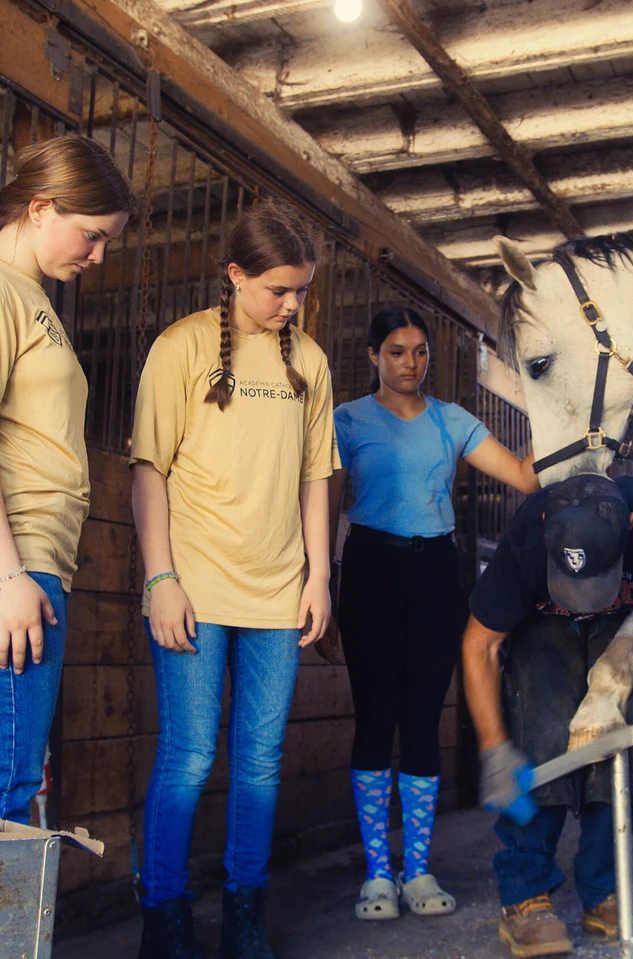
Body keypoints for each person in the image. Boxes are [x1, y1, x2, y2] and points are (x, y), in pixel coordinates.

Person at [131, 200, 339, 959]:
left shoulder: (309, 361)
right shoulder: (180, 346)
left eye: (301, 291)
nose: (292, 305)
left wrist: (319, 576)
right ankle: (165, 921)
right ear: (235, 275)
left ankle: (245, 921)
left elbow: (316, 476)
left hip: (278, 589)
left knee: (259, 760)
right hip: (194, 585)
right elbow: (148, 470)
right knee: (188, 757)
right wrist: (160, 578)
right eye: (279, 290)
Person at [327, 306, 539, 921]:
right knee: (374, 719)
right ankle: (378, 875)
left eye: (420, 351)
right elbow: (326, 510)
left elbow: (524, 478)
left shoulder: (453, 421)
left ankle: (417, 870)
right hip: (368, 568)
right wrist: (323, 591)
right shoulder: (346, 420)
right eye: (396, 352)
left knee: (423, 720)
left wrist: (553, 411)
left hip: (435, 573)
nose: (410, 363)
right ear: (373, 356)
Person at [462, 472, 633, 958]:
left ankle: (605, 888)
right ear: (546, 523)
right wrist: (494, 748)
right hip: (541, 623)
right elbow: (480, 644)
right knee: (543, 730)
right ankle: (525, 894)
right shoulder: (526, 541)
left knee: (619, 743)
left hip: (623, 620)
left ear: (630, 524)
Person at [0, 135, 135, 824]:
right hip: (17, 561)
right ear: (40, 207)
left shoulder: (33, 297)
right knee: (9, 783)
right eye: (92, 234)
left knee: (17, 778)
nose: (98, 255)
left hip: (37, 561)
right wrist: (8, 575)